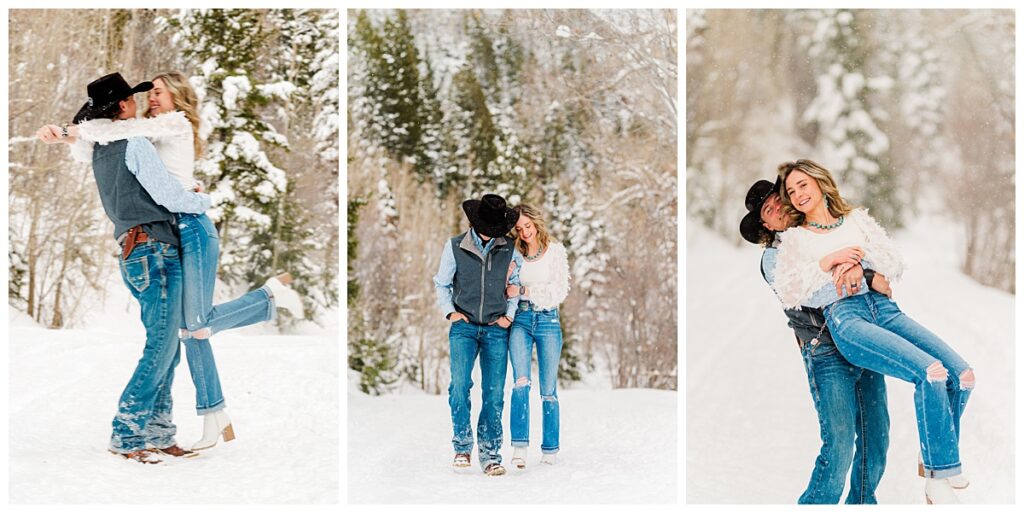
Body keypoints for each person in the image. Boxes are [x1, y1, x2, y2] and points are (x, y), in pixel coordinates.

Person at [37, 71, 304, 454]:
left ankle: (160, 433)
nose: (145, 101)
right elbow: (168, 196)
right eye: (137, 98)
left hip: (133, 252)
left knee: (170, 343)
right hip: (156, 249)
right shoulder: (135, 143)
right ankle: (128, 432)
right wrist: (201, 199)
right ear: (125, 106)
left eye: (158, 93)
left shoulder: (101, 148)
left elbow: (99, 138)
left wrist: (65, 132)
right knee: (165, 345)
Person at [771, 159, 974, 504]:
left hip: (886, 310)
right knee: (930, 373)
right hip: (847, 319)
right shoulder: (795, 239)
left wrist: (857, 263)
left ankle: (933, 459)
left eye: (802, 184)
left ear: (821, 182)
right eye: (791, 191)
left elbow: (893, 260)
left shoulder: (856, 220)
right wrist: (829, 261)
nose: (798, 193)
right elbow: (791, 290)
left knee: (961, 375)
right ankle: (940, 476)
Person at [740, 178, 890, 503]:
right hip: (826, 351)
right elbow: (815, 292)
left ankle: (862, 504)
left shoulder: (820, 234)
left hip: (863, 343)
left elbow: (868, 258)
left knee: (875, 440)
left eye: (778, 200)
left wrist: (865, 269)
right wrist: (861, 276)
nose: (778, 207)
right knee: (839, 446)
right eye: (769, 209)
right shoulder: (774, 258)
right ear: (765, 224)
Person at [433, 193, 523, 476]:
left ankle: (490, 454)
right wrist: (451, 312)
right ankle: (462, 447)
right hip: (464, 327)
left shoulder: (510, 249)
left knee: (495, 393)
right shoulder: (455, 246)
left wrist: (509, 315)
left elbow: (516, 284)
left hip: (496, 329)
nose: (493, 234)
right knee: (459, 385)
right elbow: (442, 283)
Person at [505, 204, 570, 470]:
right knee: (520, 382)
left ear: (536, 224)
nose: (524, 233)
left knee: (548, 390)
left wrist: (524, 290)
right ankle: (519, 448)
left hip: (548, 321)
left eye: (528, 226)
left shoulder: (555, 251)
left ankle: (550, 449)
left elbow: (558, 291)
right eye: (519, 229)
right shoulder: (514, 253)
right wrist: (514, 289)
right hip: (520, 320)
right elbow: (506, 287)